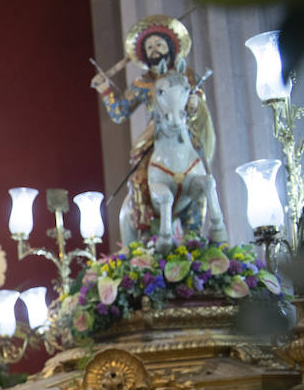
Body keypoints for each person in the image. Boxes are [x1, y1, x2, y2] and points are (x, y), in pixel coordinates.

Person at [90, 14, 215, 239]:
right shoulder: (142, 83)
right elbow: (120, 113)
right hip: (154, 135)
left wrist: (195, 103)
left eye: (159, 44)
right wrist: (105, 90)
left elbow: (197, 100)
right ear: (144, 54)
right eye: (149, 46)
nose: (155, 49)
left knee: (202, 172)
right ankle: (145, 231)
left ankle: (195, 230)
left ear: (170, 47)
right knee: (138, 177)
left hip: (184, 130)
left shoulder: (184, 76)